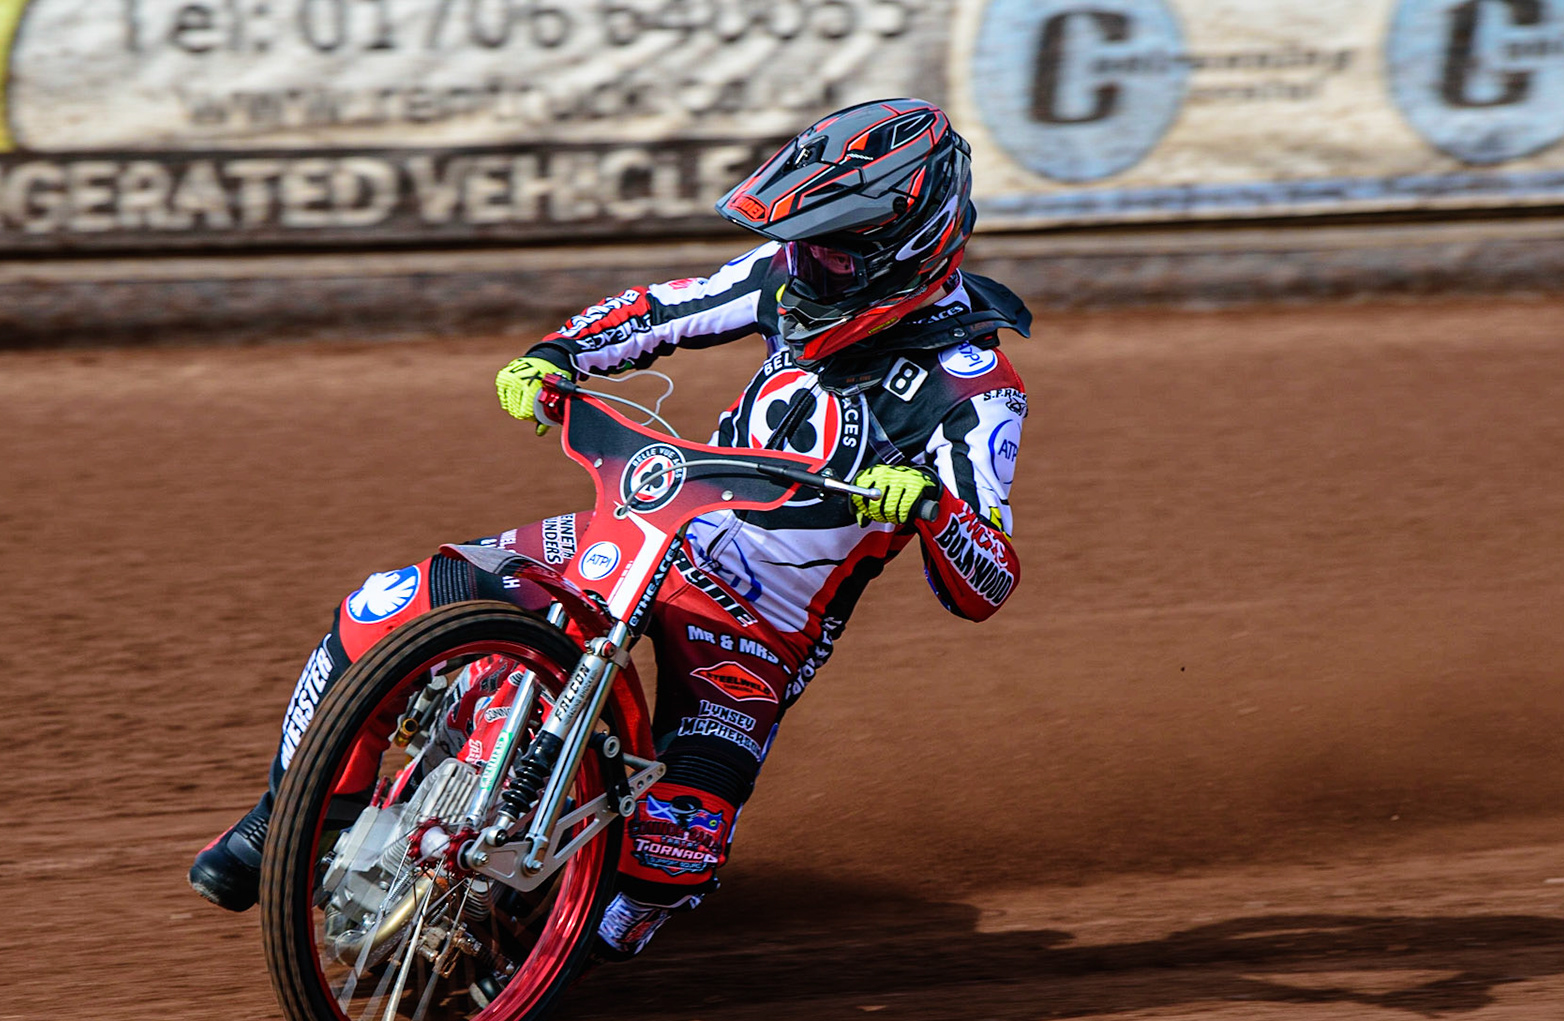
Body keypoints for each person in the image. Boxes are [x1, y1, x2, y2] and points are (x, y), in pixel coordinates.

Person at [189, 99, 1030, 961]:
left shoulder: (974, 389)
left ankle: (533, 950)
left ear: (908, 242)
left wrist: (931, 507)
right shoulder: (790, 276)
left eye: (829, 248)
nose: (803, 266)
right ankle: (283, 822)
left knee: (663, 868)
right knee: (383, 607)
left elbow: (988, 580)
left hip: (757, 626)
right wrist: (558, 352)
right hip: (651, 528)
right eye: (800, 243)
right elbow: (662, 309)